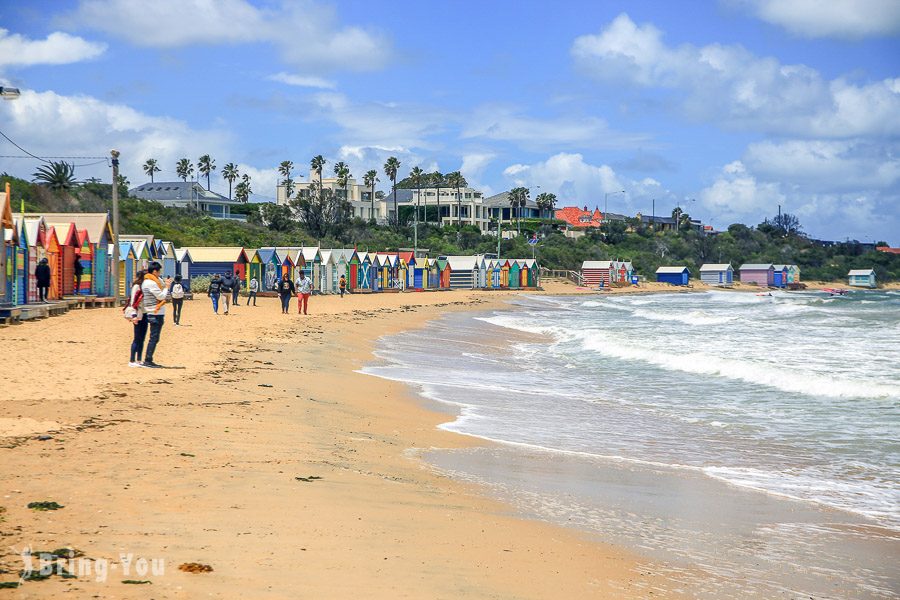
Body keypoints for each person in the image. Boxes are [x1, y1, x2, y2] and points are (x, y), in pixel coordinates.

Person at [140, 261, 172, 368]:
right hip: (155, 313)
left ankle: (148, 359)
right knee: (154, 338)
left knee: (154, 337)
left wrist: (164, 283)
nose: (160, 274)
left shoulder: (149, 281)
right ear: (154, 271)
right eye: (159, 272)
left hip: (152, 312)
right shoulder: (151, 283)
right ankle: (148, 360)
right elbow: (161, 296)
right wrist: (167, 287)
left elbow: (161, 285)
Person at [128, 269, 148, 367]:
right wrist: (134, 316)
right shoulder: (136, 286)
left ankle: (139, 360)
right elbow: (132, 303)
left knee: (142, 338)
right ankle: (132, 360)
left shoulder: (145, 287)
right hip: (137, 315)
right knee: (137, 338)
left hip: (145, 314)